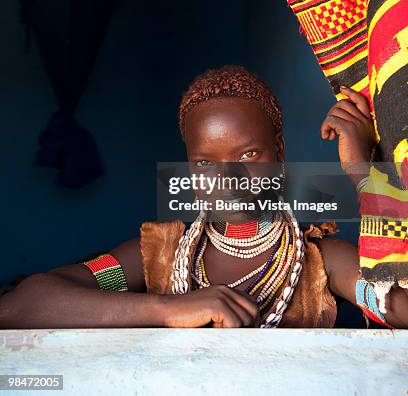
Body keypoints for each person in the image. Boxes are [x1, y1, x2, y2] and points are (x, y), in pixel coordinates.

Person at [1, 66, 407, 328]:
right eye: (205, 163)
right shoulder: (154, 256)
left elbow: (400, 309)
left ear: (279, 154)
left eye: (248, 155)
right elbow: (20, 306)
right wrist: (167, 308)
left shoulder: (321, 262)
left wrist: (363, 176)